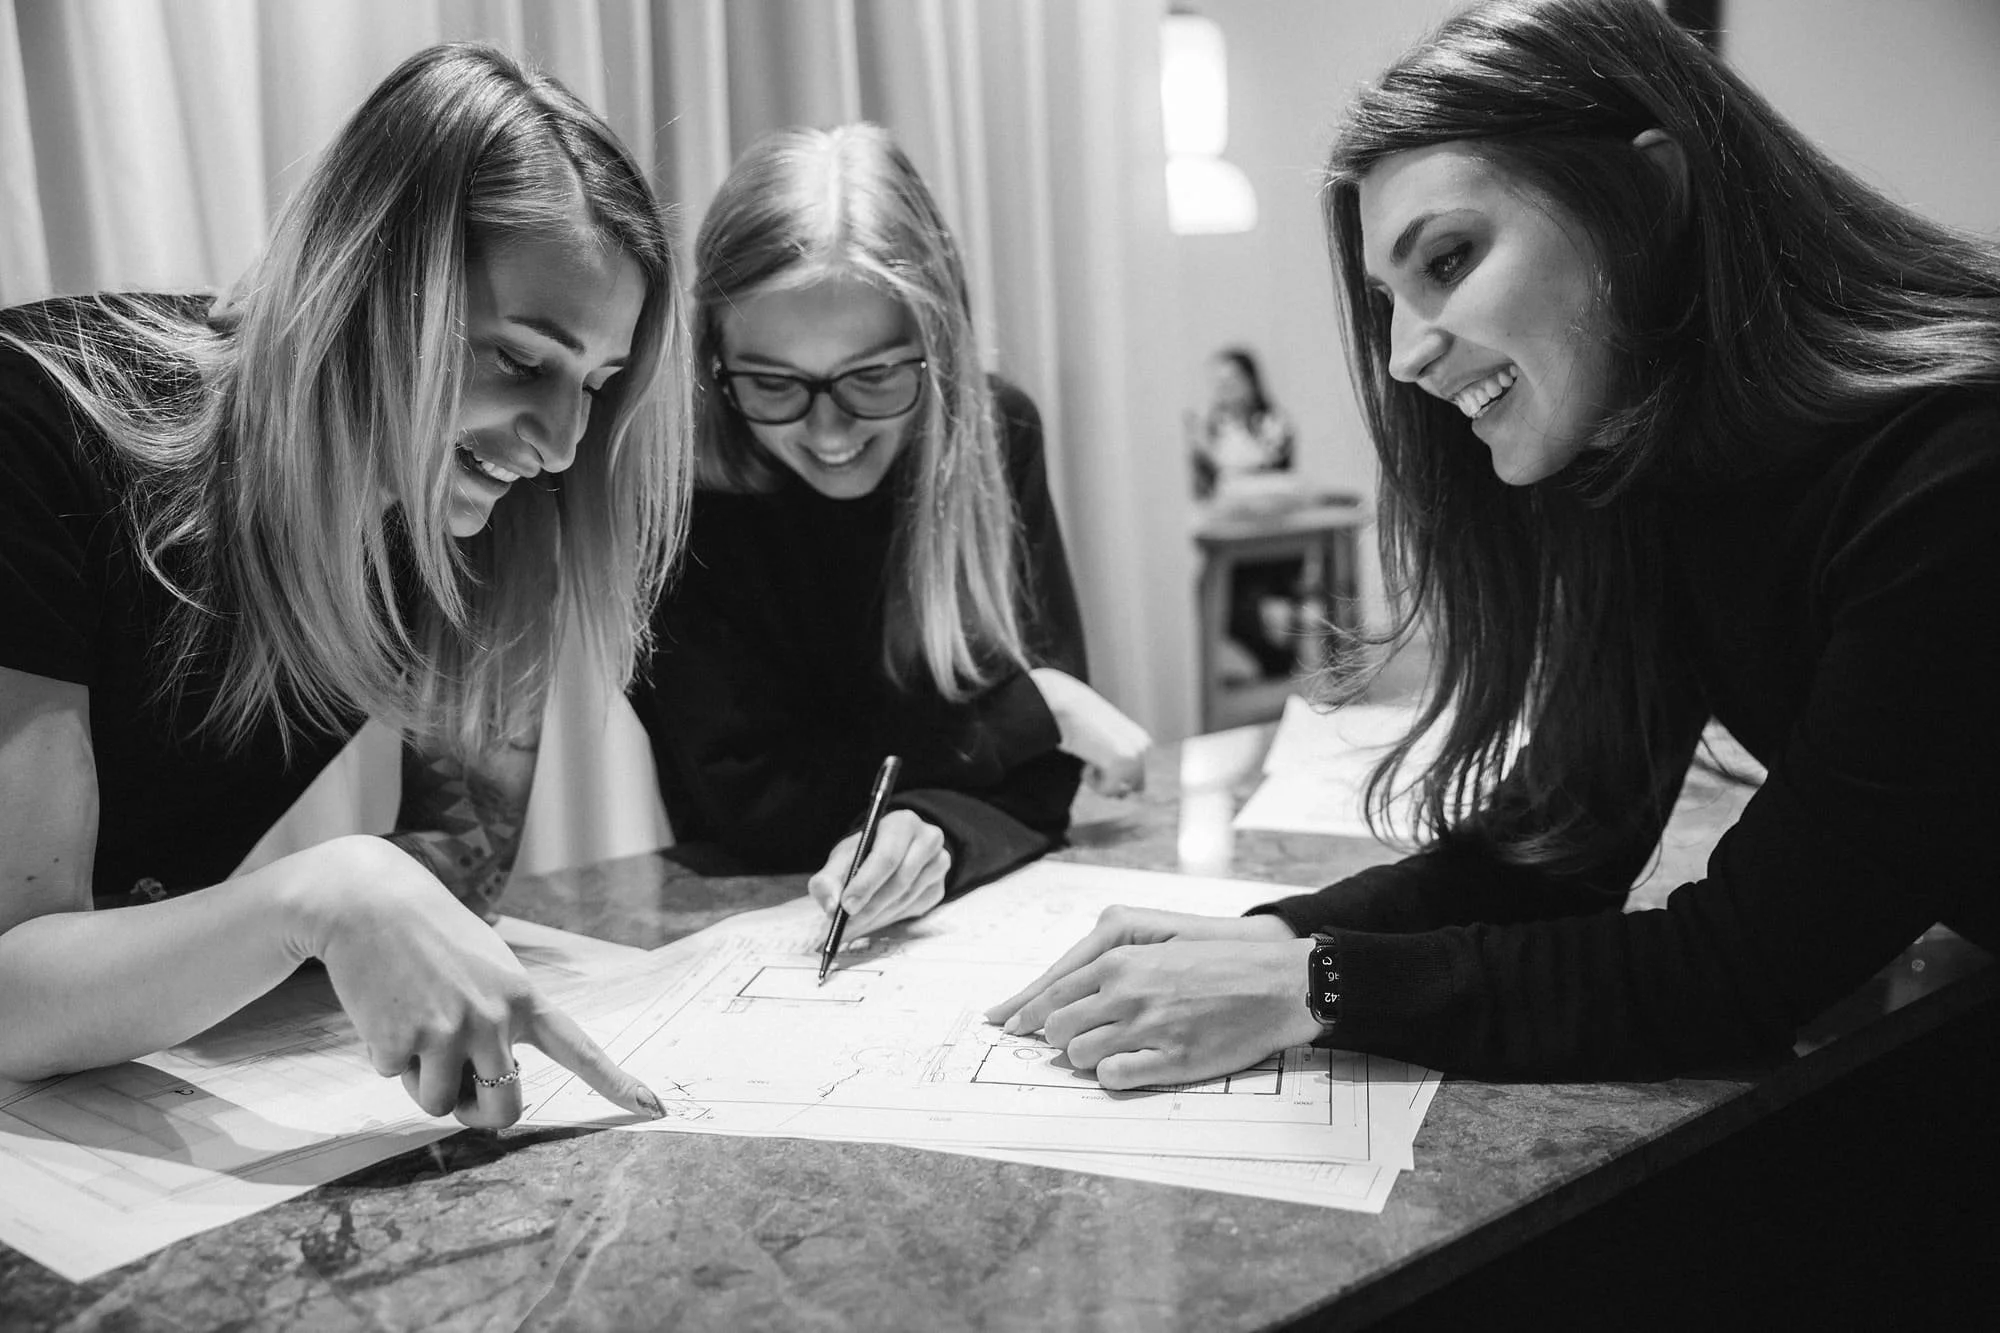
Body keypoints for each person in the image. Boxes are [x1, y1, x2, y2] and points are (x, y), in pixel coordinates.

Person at [989, 0, 2000, 1086]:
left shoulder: (1954, 472)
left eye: (1449, 257)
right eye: (1387, 298)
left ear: (1650, 196)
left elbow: (1738, 970)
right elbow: (1552, 852)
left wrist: (1318, 985)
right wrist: (1270, 939)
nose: (1403, 357)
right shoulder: (1658, 471)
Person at [0, 44, 689, 1128]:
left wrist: (371, 906)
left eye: (597, 383)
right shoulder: (35, 426)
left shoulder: (468, 507)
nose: (562, 445)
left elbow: (458, 863)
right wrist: (329, 892)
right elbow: (12, 994)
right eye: (519, 359)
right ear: (364, 281)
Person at [632, 123, 1151, 943]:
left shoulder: (997, 431)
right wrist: (1031, 710)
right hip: (743, 926)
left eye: (872, 376)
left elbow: (1043, 786)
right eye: (773, 383)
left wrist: (934, 833)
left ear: (938, 347)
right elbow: (751, 808)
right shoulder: (676, 493)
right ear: (714, 360)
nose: (829, 433)